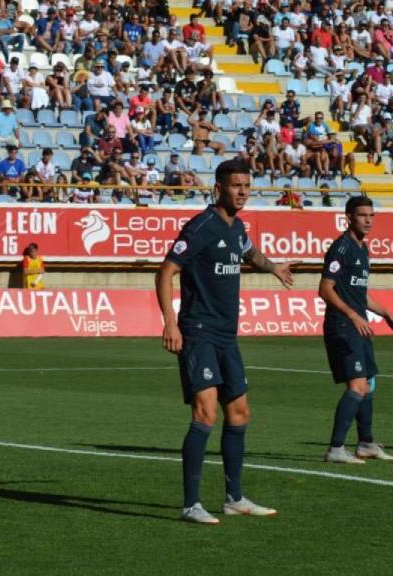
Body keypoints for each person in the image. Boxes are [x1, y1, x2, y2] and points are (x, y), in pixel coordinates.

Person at [155, 158, 297, 524]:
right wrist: (170, 323)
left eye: (247, 186)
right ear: (218, 188)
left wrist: (274, 267)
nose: (243, 192)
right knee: (205, 412)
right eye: (236, 185)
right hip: (198, 332)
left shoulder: (237, 228)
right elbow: (166, 271)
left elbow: (249, 252)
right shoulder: (202, 226)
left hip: (226, 335)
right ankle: (191, 504)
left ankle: (234, 497)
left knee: (240, 412)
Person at [320, 196, 393, 464]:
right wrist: (352, 314)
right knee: (358, 385)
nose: (368, 220)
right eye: (363, 215)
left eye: (371, 215)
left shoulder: (363, 249)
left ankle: (366, 443)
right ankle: (336, 448)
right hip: (342, 325)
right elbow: (325, 289)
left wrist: (385, 313)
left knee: (370, 382)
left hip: (358, 324)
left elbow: (359, 293)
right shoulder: (341, 248)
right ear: (349, 217)